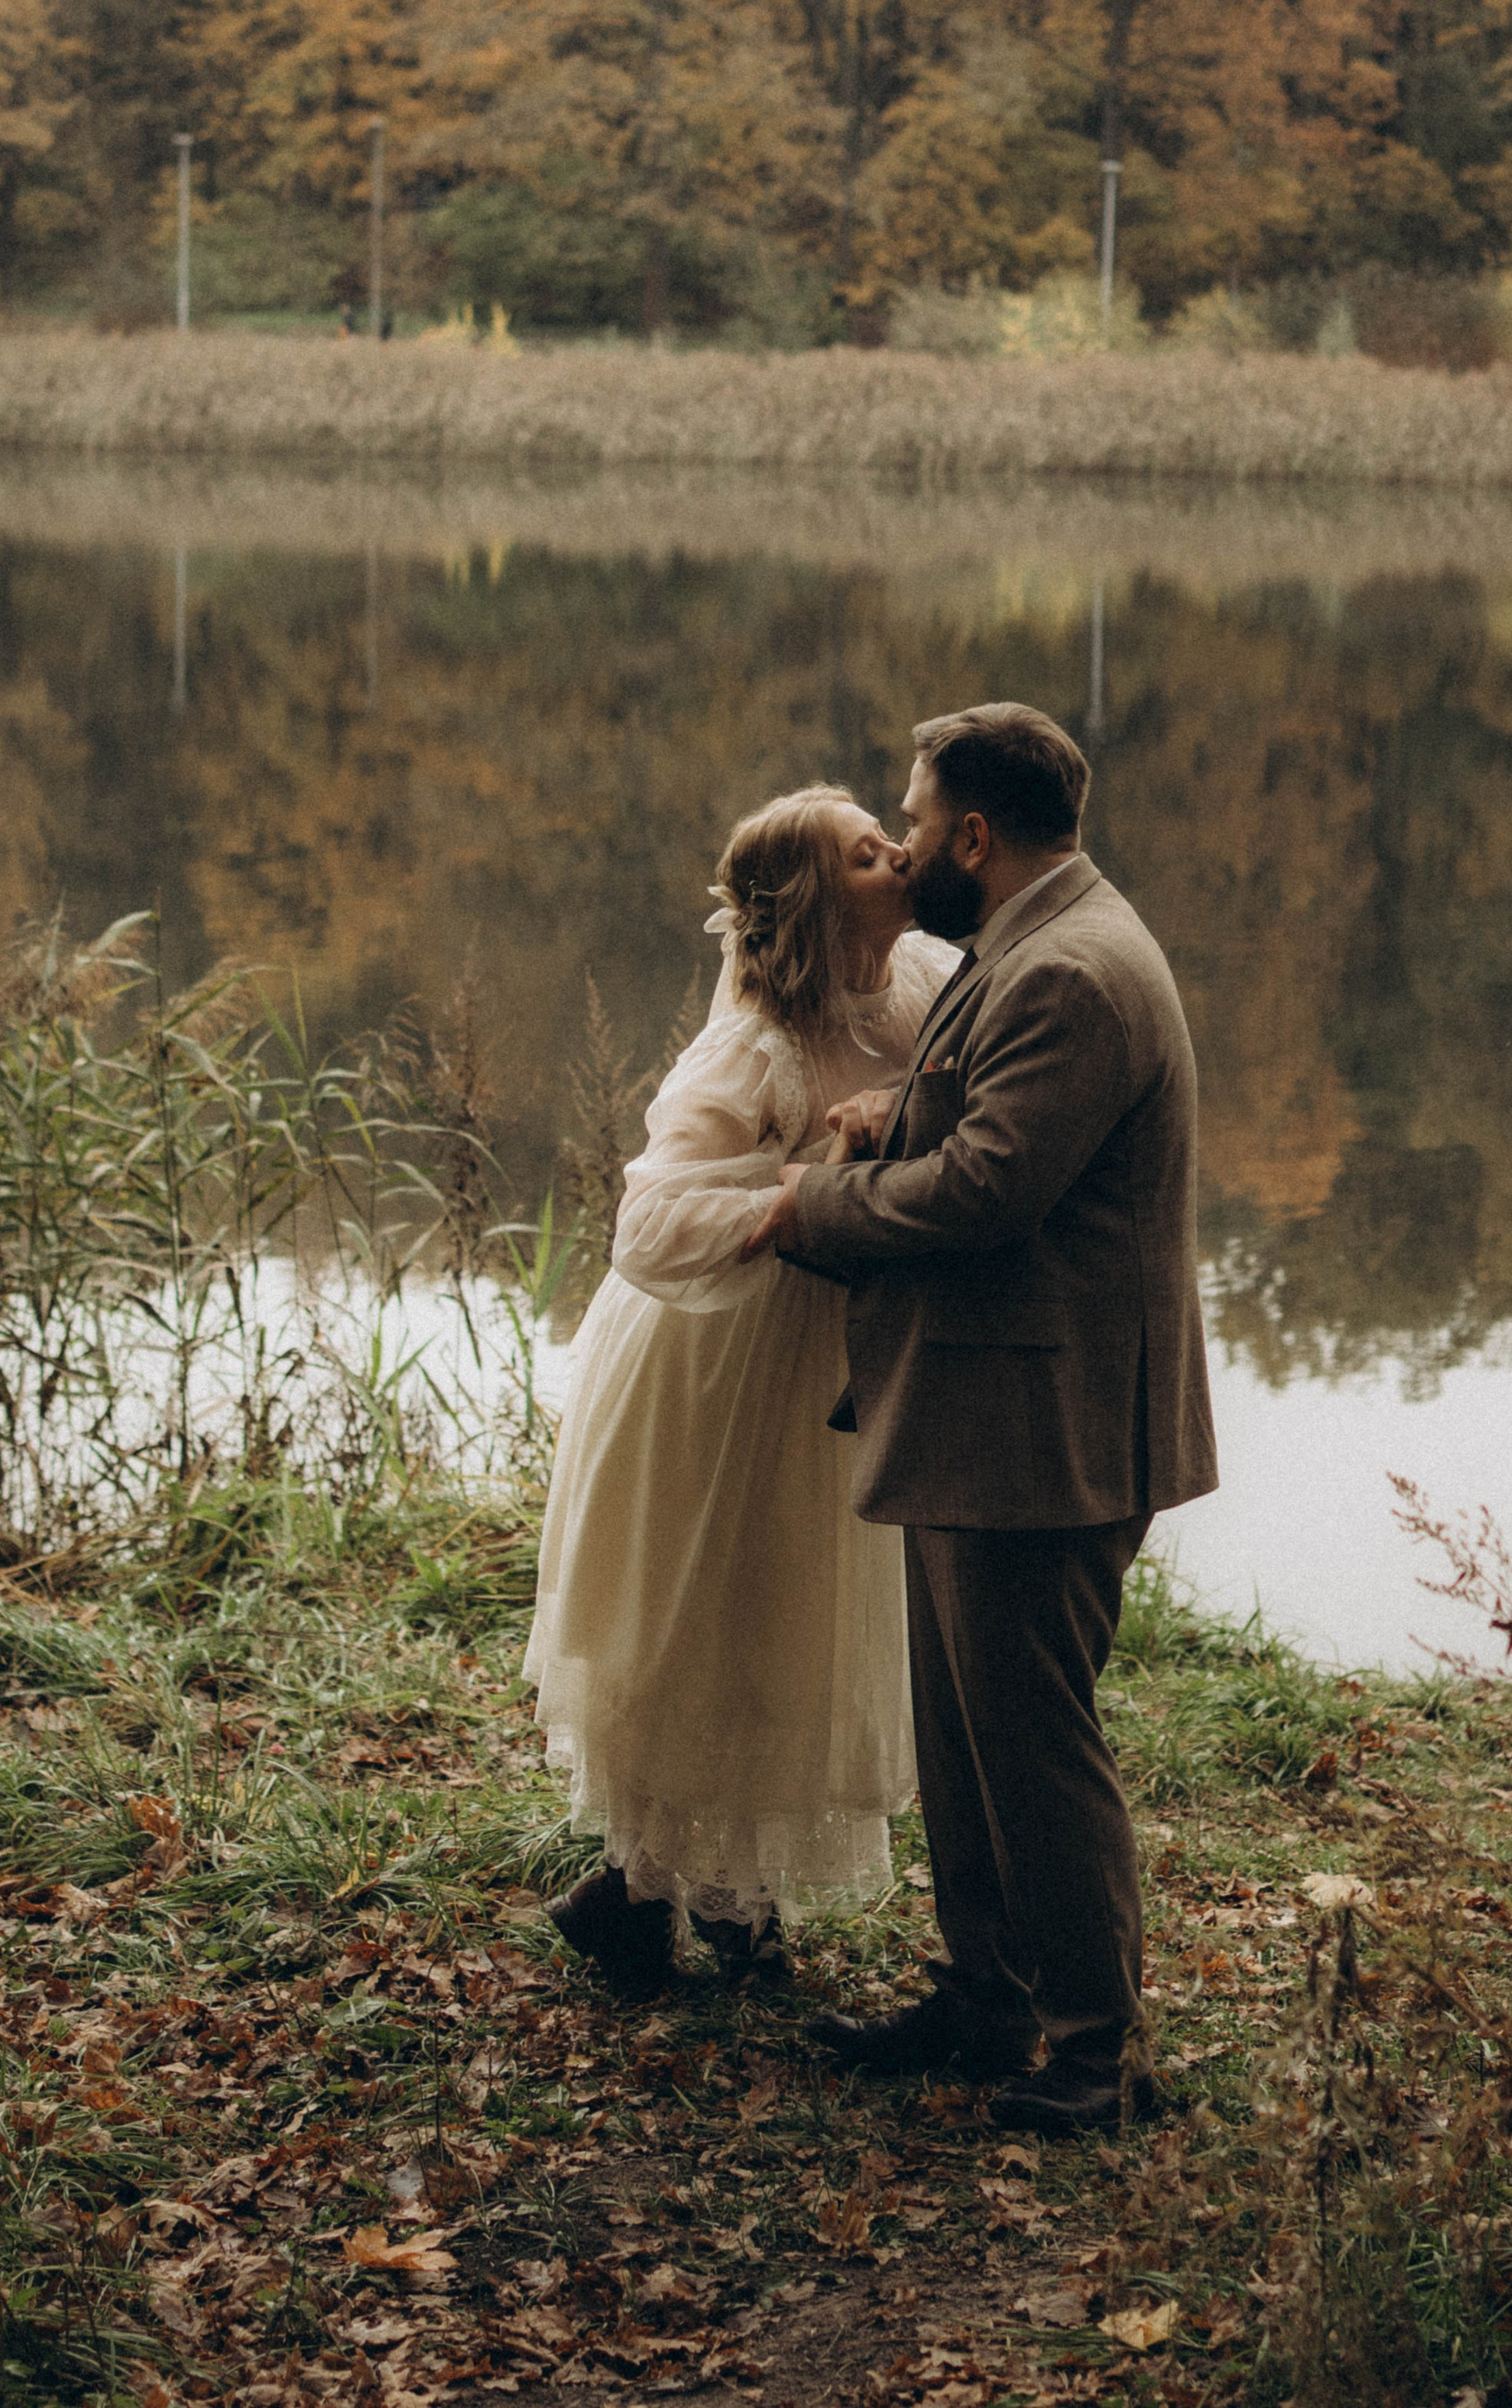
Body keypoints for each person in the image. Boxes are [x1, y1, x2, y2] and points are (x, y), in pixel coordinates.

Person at [744, 702, 1217, 2134]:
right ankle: (985, 2001)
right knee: (962, 1735)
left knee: (1031, 1743)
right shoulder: (1033, 940)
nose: (898, 834)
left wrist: (810, 1206)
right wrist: (894, 1111)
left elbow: (990, 1191)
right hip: (991, 1410)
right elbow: (979, 1115)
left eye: (912, 807)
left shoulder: (1071, 970)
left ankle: (1094, 2055)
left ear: (972, 833)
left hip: (1046, 1427)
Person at [526, 788, 959, 1990]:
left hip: (830, 1356)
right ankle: (654, 1895)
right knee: (703, 1617)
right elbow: (649, 1225)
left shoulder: (922, 979)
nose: (899, 856)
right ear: (823, 901)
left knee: (789, 1618)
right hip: (717, 1364)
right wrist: (796, 1192)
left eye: (892, 836)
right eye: (871, 855)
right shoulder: (755, 1045)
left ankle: (706, 1896)